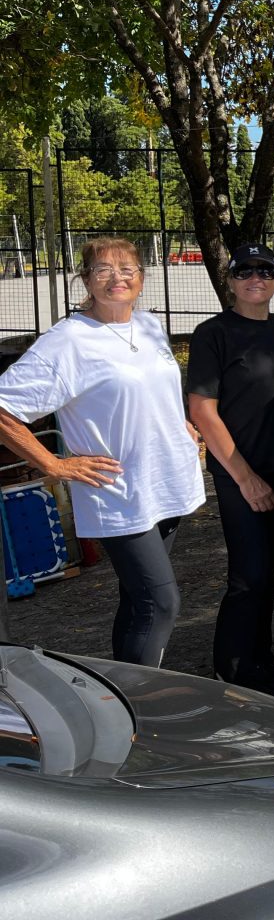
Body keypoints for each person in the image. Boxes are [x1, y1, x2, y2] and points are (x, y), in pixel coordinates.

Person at [0, 237, 205, 668]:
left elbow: (153, 387)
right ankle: (139, 709)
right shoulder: (69, 340)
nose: (118, 278)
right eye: (103, 270)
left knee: (138, 599)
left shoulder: (148, 325)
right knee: (161, 602)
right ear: (86, 280)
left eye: (128, 269)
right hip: (117, 490)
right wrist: (53, 463)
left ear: (142, 279)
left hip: (166, 481)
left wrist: (179, 422)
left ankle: (120, 692)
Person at [186, 243, 274, 697]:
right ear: (230, 280)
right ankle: (233, 672)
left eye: (265, 270)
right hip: (242, 474)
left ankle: (260, 657)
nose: (255, 278)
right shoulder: (213, 332)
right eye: (244, 271)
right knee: (248, 575)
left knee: (267, 574)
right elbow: (203, 409)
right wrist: (244, 477)